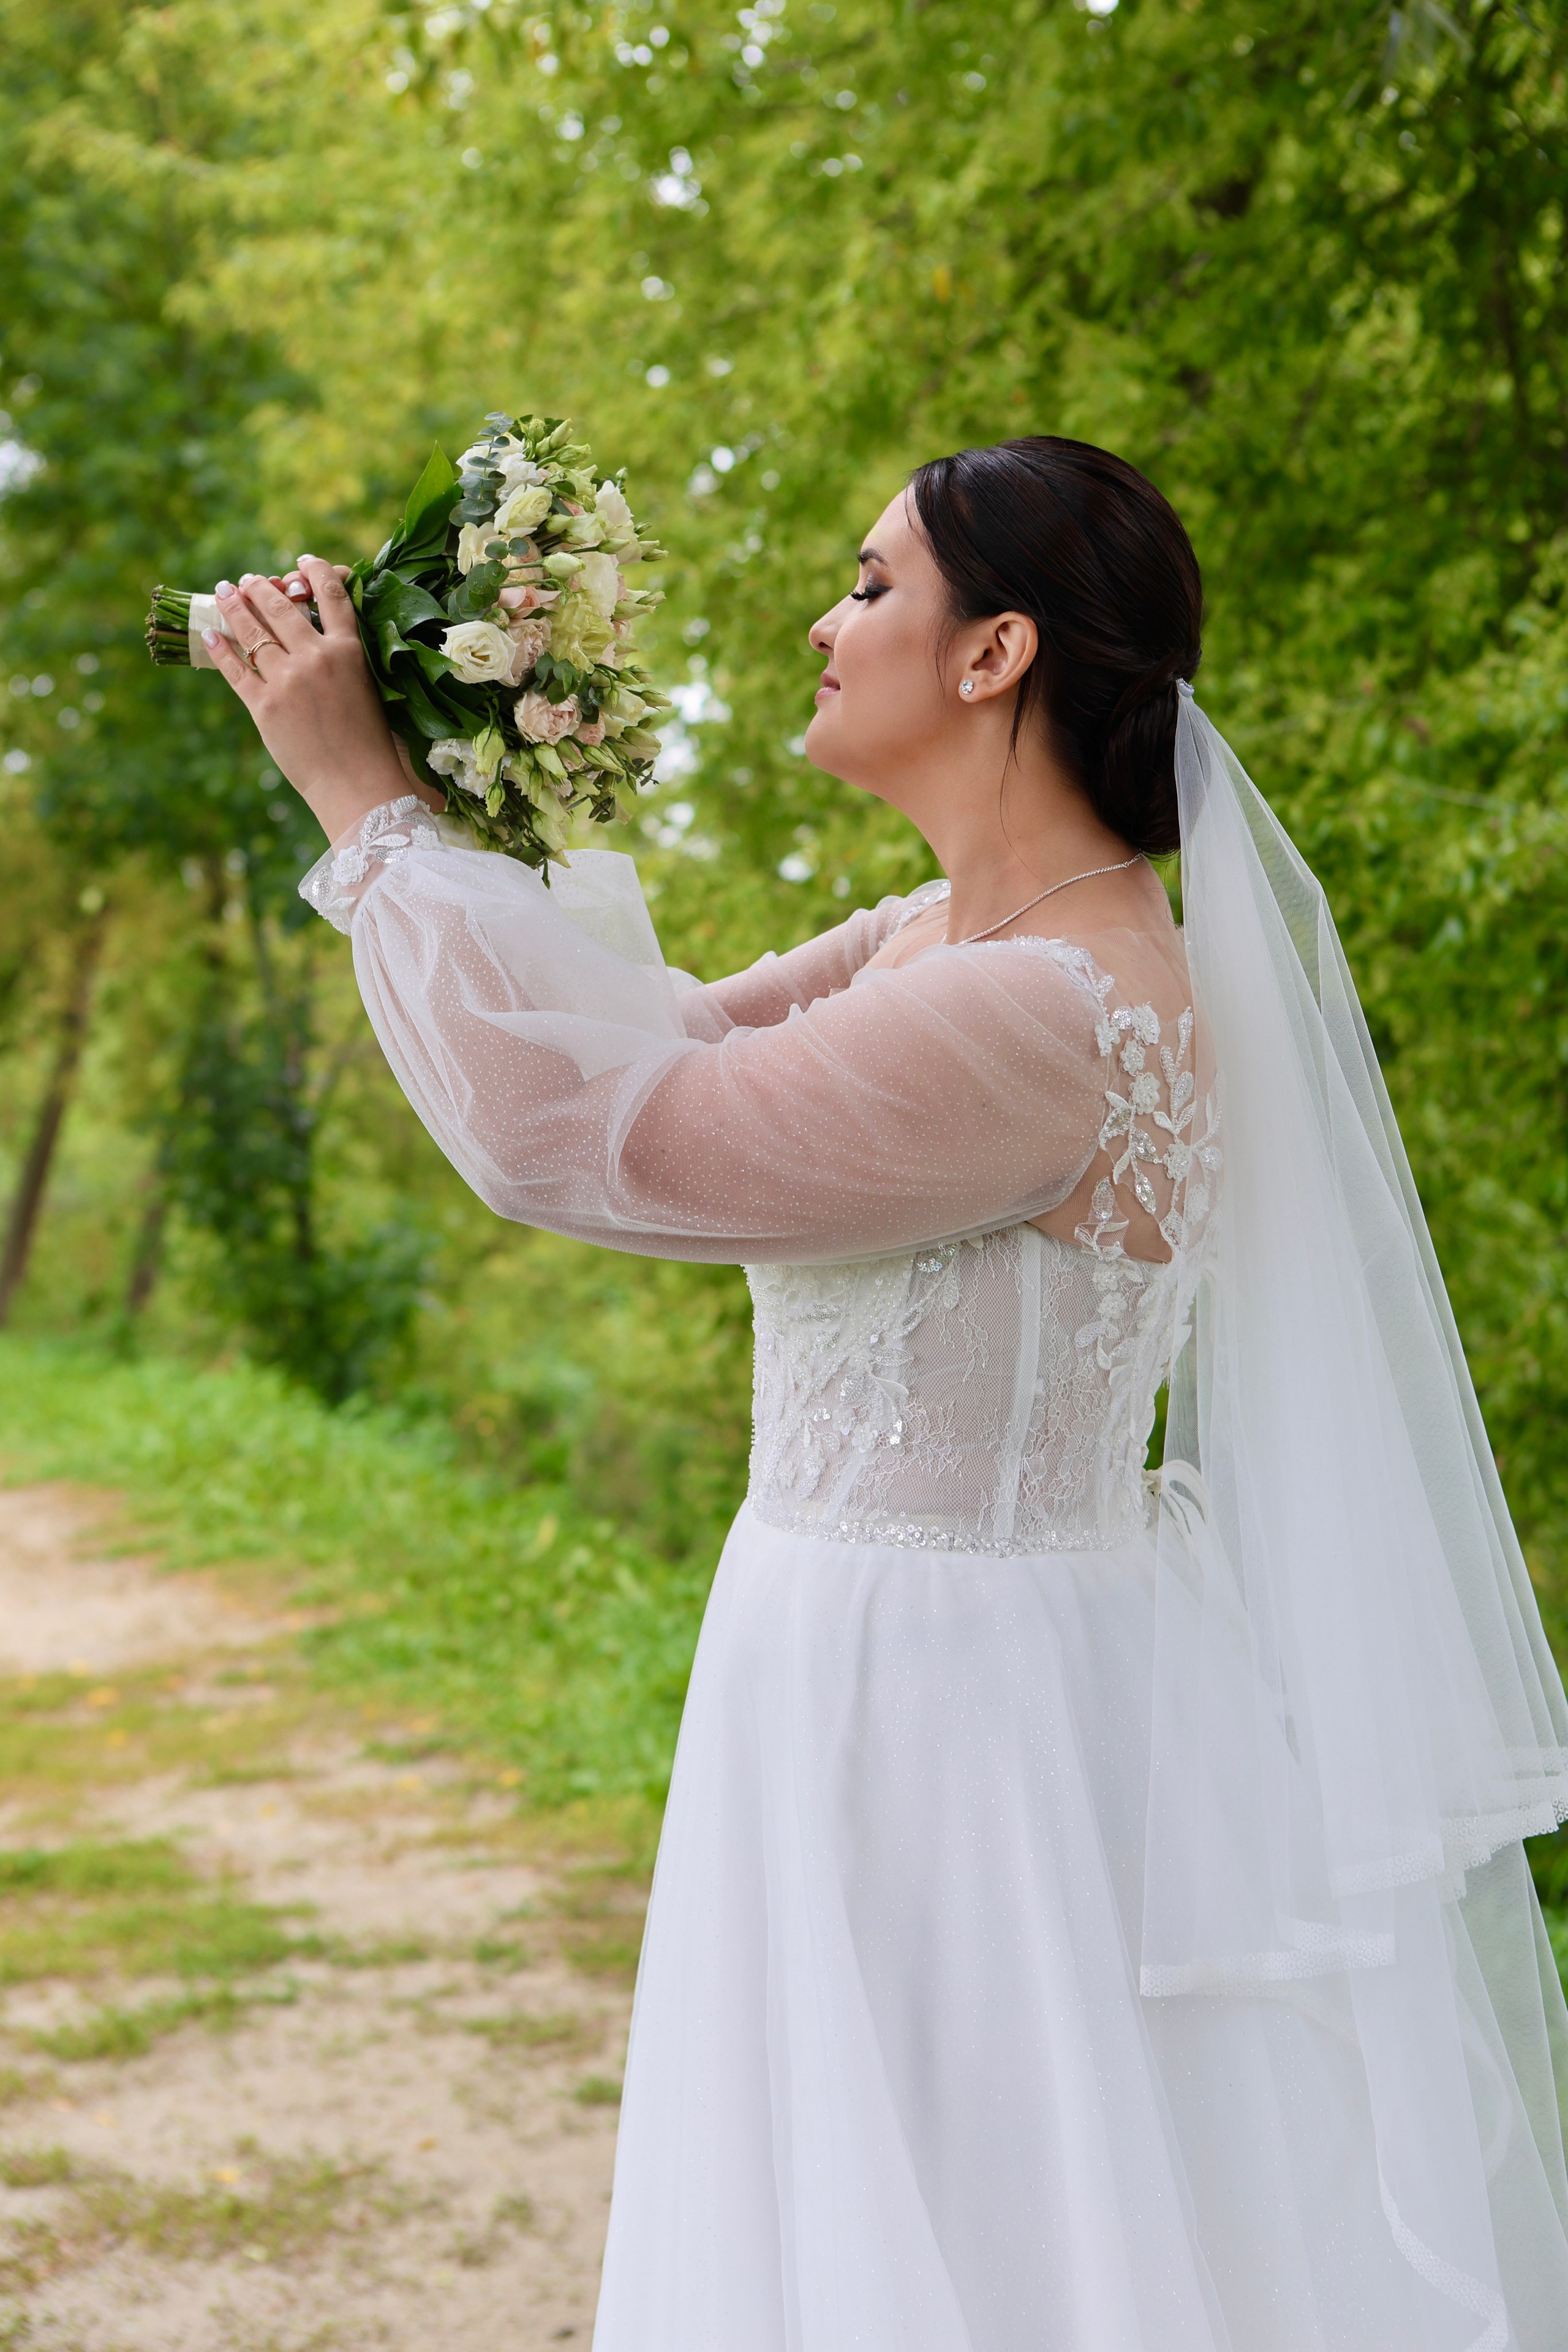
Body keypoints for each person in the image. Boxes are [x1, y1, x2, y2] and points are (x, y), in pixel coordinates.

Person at [203, 436, 1568, 2351]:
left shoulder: (1037, 1014)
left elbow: (588, 1145)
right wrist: (440, 761)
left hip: (952, 1714)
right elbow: (646, 1039)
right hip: (915, 1656)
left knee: (968, 2221)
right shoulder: (951, 943)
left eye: (869, 587)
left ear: (997, 650)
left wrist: (358, 802)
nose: (824, 626)